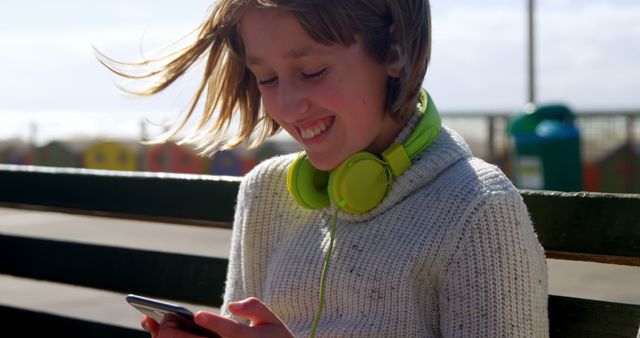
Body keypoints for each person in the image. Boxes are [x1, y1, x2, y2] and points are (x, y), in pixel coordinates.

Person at [102, 0, 549, 336]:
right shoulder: (265, 193)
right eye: (267, 79)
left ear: (393, 49)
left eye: (312, 70)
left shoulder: (477, 209)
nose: (286, 106)